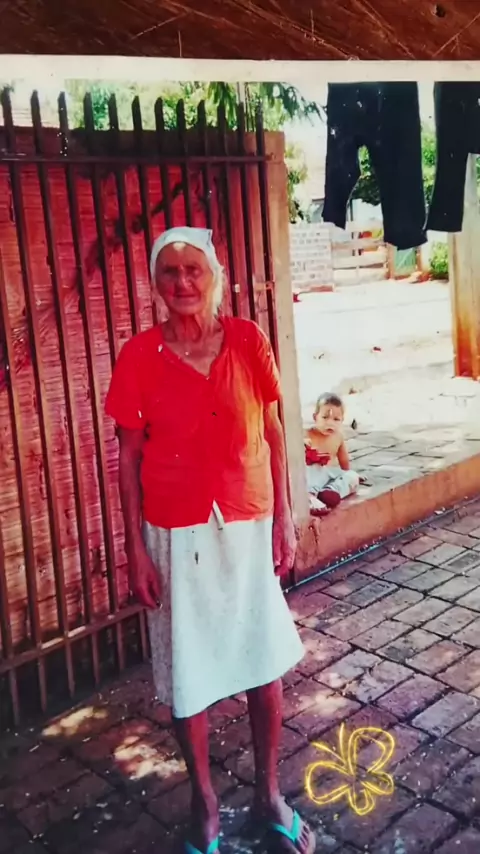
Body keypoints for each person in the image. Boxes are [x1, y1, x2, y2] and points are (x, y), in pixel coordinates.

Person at [105, 226, 315, 854]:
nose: (182, 282)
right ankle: (205, 805)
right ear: (155, 284)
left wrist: (284, 517)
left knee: (262, 659)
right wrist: (134, 549)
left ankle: (269, 796)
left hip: (247, 522)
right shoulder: (139, 356)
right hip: (174, 530)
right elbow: (127, 458)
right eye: (169, 272)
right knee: (187, 668)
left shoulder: (248, 340)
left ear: (215, 277)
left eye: (193, 269)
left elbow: (273, 431)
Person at [305, 392, 360, 516]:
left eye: (336, 419)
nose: (330, 423)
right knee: (311, 471)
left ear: (342, 420)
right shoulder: (307, 435)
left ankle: (329, 493)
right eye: (325, 417)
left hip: (331, 475)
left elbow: (344, 461)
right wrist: (305, 448)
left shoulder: (338, 437)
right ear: (315, 417)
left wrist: (347, 475)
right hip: (314, 474)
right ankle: (310, 496)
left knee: (353, 477)